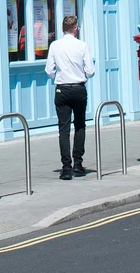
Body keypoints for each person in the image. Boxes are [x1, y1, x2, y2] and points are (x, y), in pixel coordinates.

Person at [44, 15, 95, 180]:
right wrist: (82, 74)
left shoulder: (55, 45)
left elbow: (49, 71)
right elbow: (91, 71)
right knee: (80, 125)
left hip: (62, 89)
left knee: (63, 129)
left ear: (62, 28)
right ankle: (78, 165)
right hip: (78, 88)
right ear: (76, 28)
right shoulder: (82, 45)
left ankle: (66, 168)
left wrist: (58, 75)